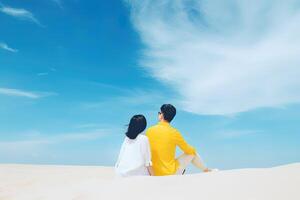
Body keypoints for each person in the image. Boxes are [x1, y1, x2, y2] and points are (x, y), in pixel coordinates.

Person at [146, 104, 211, 176]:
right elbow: (188, 150)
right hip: (169, 173)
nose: (159, 114)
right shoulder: (174, 132)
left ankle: (206, 170)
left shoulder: (149, 130)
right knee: (192, 152)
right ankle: (207, 170)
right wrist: (194, 149)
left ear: (162, 115)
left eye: (159, 113)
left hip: (152, 173)